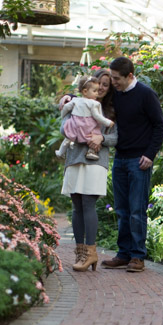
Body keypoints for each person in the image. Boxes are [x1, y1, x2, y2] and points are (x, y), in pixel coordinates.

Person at [101, 56, 163, 273]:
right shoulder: (116, 94)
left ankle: (138, 256)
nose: (113, 82)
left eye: (117, 78)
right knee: (121, 210)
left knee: (137, 211)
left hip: (140, 161)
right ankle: (124, 254)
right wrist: (67, 97)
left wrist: (150, 154)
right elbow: (91, 93)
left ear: (130, 76)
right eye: (112, 78)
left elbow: (159, 126)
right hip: (120, 159)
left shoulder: (146, 95)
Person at [61, 68, 117, 272]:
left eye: (105, 85)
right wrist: (78, 133)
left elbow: (117, 137)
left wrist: (102, 138)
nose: (101, 88)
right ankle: (80, 252)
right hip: (74, 158)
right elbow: (63, 127)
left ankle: (91, 252)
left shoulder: (110, 110)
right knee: (76, 205)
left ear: (109, 88)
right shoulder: (77, 102)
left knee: (88, 204)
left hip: (95, 161)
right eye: (98, 83)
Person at [56, 75, 114, 161]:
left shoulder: (75, 101)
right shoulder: (92, 103)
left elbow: (66, 108)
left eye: (105, 85)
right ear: (85, 91)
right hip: (75, 158)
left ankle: (60, 152)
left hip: (97, 164)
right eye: (95, 91)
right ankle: (91, 152)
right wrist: (107, 123)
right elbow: (97, 116)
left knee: (69, 138)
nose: (97, 93)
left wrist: (63, 115)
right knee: (94, 132)